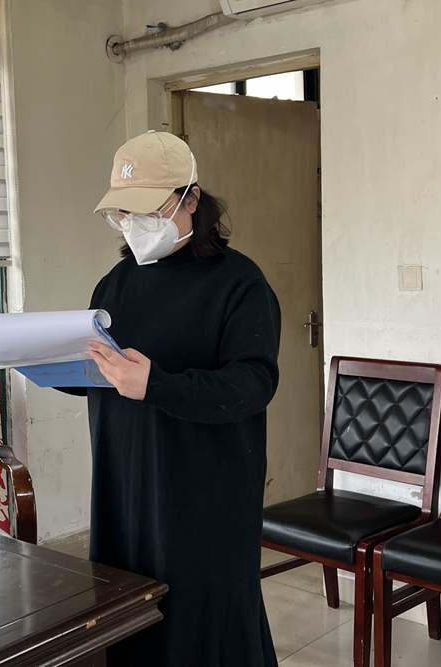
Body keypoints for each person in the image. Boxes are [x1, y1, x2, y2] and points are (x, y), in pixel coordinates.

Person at [61, 130, 281, 667]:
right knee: (128, 610)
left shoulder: (240, 284)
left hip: (203, 493)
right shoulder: (115, 283)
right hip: (124, 486)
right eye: (124, 213)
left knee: (202, 622)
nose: (135, 224)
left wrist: (156, 384)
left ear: (192, 199)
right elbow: (104, 372)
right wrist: (48, 363)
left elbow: (252, 384)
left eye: (148, 210)